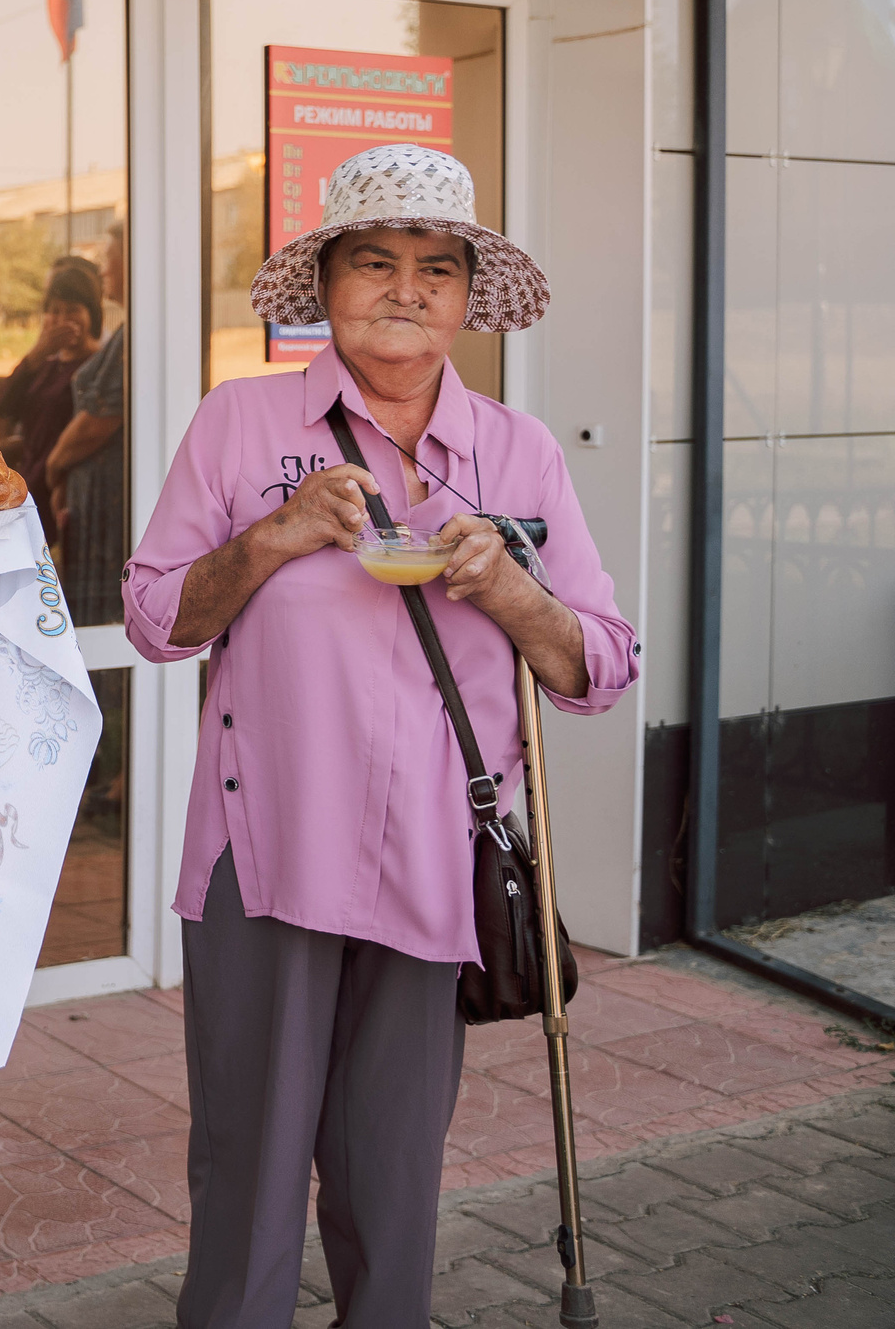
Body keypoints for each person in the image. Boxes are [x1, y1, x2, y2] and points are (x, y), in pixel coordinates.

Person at [121, 145, 637, 1329]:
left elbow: (597, 668)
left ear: (465, 297)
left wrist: (508, 590)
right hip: (266, 851)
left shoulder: (520, 453)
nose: (404, 288)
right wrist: (274, 536)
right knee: (248, 1173)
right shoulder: (241, 424)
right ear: (327, 284)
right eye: (373, 261)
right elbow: (152, 620)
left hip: (431, 862)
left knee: (392, 1176)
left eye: (434, 267)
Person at [45, 220, 127, 625]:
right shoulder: (128, 333)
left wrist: (54, 468)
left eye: (110, 260)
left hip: (110, 514)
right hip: (92, 509)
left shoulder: (135, 337)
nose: (106, 272)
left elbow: (100, 419)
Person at [0, 254, 103, 519]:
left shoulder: (98, 367)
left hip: (67, 498)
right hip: (31, 489)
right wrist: (37, 354)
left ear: (92, 314)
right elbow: (3, 406)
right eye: (54, 311)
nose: (62, 319)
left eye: (72, 310)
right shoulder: (44, 366)